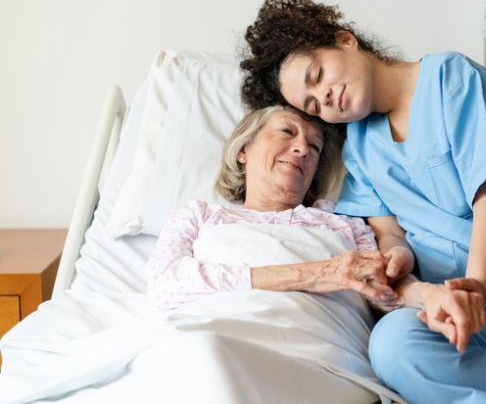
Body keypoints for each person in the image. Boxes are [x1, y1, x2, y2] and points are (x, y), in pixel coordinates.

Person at [238, 0, 486, 404]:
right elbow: (389, 234)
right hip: (444, 309)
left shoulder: (453, 79)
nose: (325, 98)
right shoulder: (361, 150)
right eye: (314, 105)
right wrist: (399, 257)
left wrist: (474, 288)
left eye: (318, 76)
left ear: (344, 40)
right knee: (393, 344)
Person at [147, 104, 412, 310]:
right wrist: (315, 274)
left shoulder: (344, 220)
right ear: (244, 149)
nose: (303, 149)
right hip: (210, 332)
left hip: (314, 345)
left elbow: (383, 295)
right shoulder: (198, 217)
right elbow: (164, 288)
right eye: (287, 132)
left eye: (315, 147)